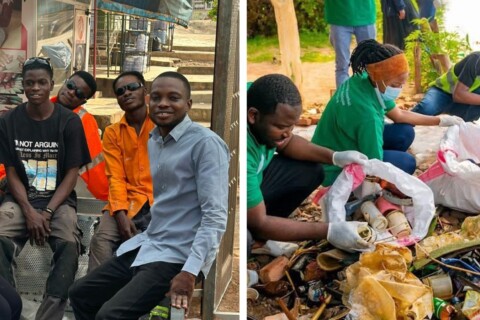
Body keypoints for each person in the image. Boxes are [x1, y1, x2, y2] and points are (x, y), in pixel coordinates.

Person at [69, 71, 229, 319]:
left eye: (173, 97)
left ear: (188, 104)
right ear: (149, 100)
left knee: (110, 315)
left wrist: (190, 271)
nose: (163, 103)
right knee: (80, 293)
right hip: (150, 242)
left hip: (178, 255)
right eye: (157, 98)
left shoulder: (205, 144)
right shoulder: (156, 140)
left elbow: (215, 216)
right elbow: (117, 178)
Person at [0, 57, 91, 320]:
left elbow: (72, 174)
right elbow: (13, 173)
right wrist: (28, 211)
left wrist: (48, 212)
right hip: (20, 201)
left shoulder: (69, 122)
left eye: (41, 82)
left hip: (59, 202)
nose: (35, 88)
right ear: (23, 86)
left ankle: (48, 315)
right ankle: (9, 307)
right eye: (29, 83)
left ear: (52, 84)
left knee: (69, 245)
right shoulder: (9, 121)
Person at [247, 73, 374, 257]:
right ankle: (256, 240)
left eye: (291, 127)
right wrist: (328, 231)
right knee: (246, 236)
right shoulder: (243, 150)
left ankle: (262, 240)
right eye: (282, 127)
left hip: (256, 179)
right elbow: (259, 221)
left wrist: (335, 157)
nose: (287, 133)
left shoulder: (257, 95)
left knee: (310, 170)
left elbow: (288, 143)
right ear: (253, 115)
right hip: (236, 201)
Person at [311, 39, 464, 186]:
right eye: (395, 84)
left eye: (403, 83)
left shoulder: (364, 78)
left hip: (340, 142)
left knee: (405, 131)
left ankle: (388, 154)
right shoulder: (367, 116)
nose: (399, 88)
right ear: (377, 77)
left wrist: (440, 121)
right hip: (332, 168)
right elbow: (374, 165)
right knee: (407, 163)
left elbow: (399, 115)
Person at [87, 71, 154, 272]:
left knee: (156, 247)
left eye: (132, 87)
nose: (127, 93)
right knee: (101, 241)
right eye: (120, 91)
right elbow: (114, 177)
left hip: (158, 201)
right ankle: (94, 299)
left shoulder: (161, 124)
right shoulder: (112, 133)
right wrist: (121, 215)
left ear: (145, 90)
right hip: (126, 201)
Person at [52, 70, 109, 201]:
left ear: (83, 101)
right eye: (70, 86)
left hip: (63, 187)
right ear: (65, 82)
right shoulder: (40, 109)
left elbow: (94, 163)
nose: (71, 92)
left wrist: (107, 197)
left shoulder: (85, 121)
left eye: (79, 94)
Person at [411, 51, 480, 122]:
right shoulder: (476, 60)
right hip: (441, 91)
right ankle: (401, 124)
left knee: (463, 125)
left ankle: (465, 122)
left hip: (464, 102)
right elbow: (459, 95)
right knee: (425, 110)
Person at [324, 0, 377, 88]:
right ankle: (343, 98)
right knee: (342, 64)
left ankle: (368, 97)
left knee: (370, 62)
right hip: (339, 17)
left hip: (365, 15)